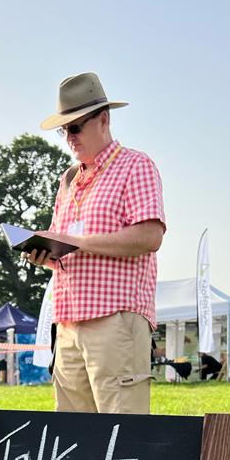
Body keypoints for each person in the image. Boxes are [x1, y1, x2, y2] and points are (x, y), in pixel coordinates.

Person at [26, 72, 165, 414]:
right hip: (68, 321)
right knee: (73, 436)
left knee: (122, 430)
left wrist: (76, 242)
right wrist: (44, 253)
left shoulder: (135, 165)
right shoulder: (69, 180)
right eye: (64, 129)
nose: (69, 137)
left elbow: (150, 236)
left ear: (103, 120)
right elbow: (65, 246)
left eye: (75, 127)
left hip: (115, 317)